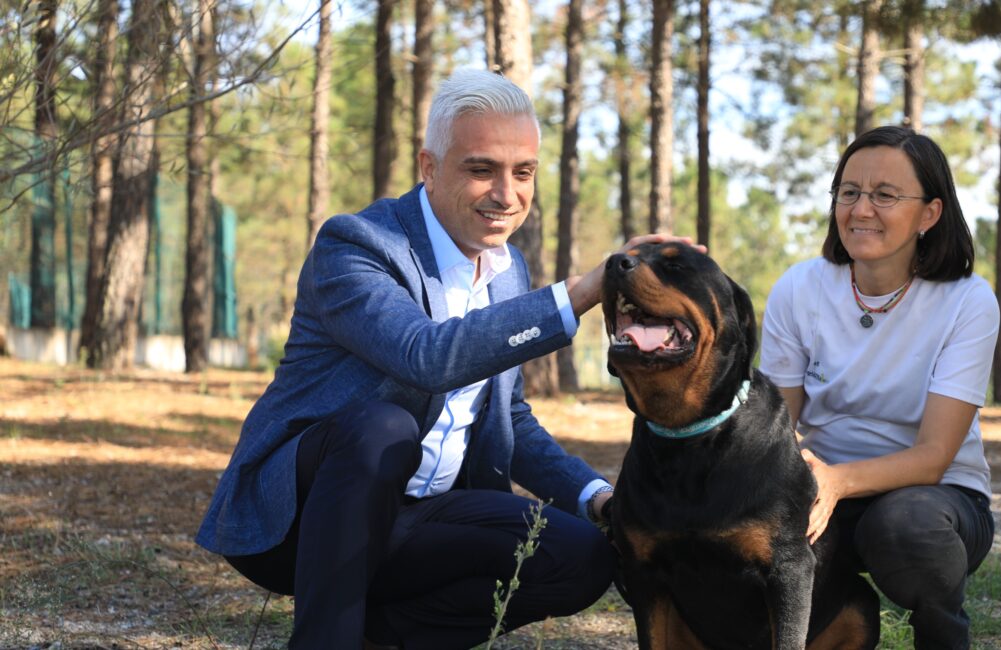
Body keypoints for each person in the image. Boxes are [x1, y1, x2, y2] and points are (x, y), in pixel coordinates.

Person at [196, 69, 696, 649]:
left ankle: (378, 638)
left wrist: (599, 498)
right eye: (481, 169)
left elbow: (508, 419)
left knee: (582, 556)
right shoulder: (357, 245)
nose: (506, 195)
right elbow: (427, 356)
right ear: (429, 167)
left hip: (422, 520)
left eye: (523, 172)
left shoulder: (508, 272)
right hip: (304, 526)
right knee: (381, 428)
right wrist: (586, 290)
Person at [759, 125, 998, 649]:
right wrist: (806, 476)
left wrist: (839, 480)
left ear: (929, 214)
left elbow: (934, 456)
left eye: (885, 195)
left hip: (938, 500)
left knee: (907, 527)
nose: (861, 209)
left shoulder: (968, 301)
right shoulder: (799, 288)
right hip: (822, 489)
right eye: (849, 192)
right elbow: (778, 425)